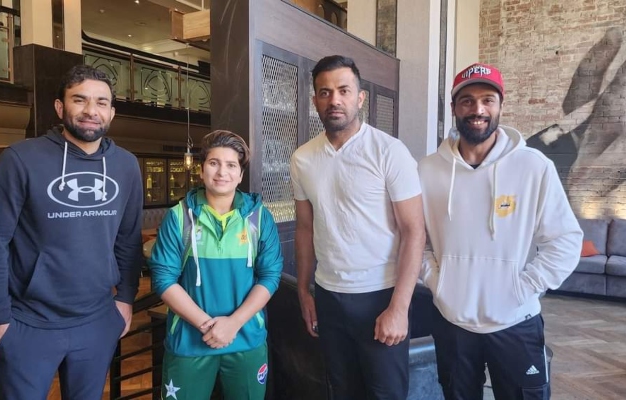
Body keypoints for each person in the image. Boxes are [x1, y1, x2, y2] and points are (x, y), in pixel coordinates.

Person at [0, 64, 144, 399]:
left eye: (101, 102)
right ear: (59, 107)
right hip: (28, 323)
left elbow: (128, 239)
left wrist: (125, 298)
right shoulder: (20, 159)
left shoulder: (126, 165)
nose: (91, 110)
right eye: (79, 100)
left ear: (112, 112)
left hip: (97, 320)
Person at [418, 63, 583, 400]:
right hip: (452, 321)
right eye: (467, 101)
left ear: (500, 106)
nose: (477, 109)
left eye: (487, 100)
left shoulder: (534, 167)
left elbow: (566, 240)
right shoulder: (427, 170)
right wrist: (437, 281)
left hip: (516, 322)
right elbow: (414, 239)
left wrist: (523, 288)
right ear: (454, 108)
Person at [290, 55, 426, 399]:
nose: (334, 100)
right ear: (315, 100)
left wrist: (399, 307)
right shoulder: (302, 158)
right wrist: (304, 291)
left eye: (343, 90)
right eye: (325, 92)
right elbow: (304, 228)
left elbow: (414, 231)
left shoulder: (389, 151)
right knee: (341, 390)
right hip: (329, 296)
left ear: (360, 97)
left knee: (386, 394)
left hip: (380, 294)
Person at [148, 130, 283, 400]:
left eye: (231, 165)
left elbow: (270, 275)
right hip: (189, 342)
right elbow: (163, 279)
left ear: (240, 175)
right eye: (214, 163)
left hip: (246, 339)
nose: (222, 172)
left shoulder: (258, 218)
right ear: (201, 170)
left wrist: (233, 323)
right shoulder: (179, 217)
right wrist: (208, 327)